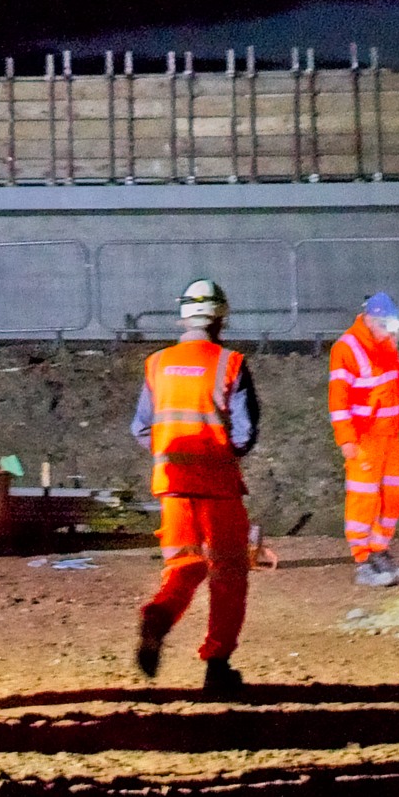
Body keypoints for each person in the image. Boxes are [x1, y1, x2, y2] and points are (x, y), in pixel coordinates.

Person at [131, 278, 259, 693]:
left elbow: (141, 428)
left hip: (173, 487)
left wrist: (170, 455)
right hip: (218, 487)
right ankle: (217, 666)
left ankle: (158, 616)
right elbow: (245, 433)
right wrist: (221, 452)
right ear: (220, 318)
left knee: (184, 567)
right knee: (228, 575)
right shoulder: (231, 363)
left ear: (182, 316)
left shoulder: (157, 364)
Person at [325, 290, 399, 585]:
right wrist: (346, 439)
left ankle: (379, 548)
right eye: (386, 325)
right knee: (363, 499)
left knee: (395, 494)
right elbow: (338, 400)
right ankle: (363, 559)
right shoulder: (346, 348)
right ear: (372, 319)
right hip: (364, 438)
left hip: (389, 435)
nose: (390, 332)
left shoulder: (387, 344)